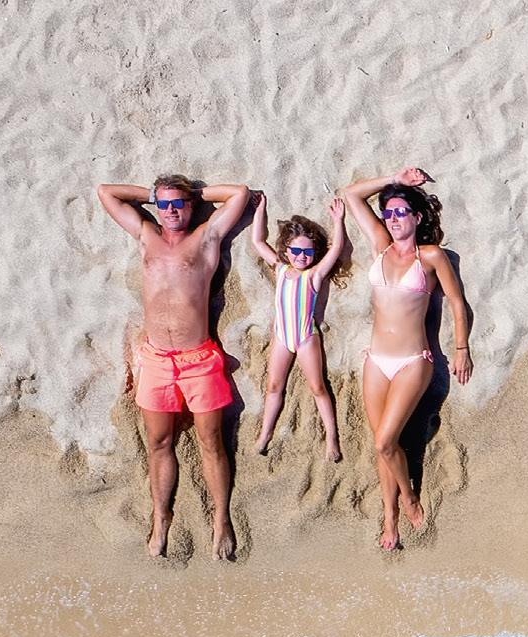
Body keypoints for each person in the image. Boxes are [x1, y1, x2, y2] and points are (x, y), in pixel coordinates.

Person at [95, 173, 258, 560]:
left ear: (189, 206)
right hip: (156, 359)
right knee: (158, 442)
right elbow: (106, 193)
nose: (170, 211)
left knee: (211, 443)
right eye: (164, 205)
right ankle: (161, 517)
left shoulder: (205, 236)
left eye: (177, 204)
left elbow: (239, 194)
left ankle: (221, 519)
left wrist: (193, 194)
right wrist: (154, 196)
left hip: (198, 358)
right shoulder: (146, 234)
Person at [338, 168, 473, 551]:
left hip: (414, 360)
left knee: (385, 443)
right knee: (383, 443)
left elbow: (458, 303)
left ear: (416, 216)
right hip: (376, 360)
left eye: (401, 212)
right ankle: (390, 517)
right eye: (389, 213)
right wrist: (394, 178)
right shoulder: (381, 246)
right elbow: (351, 195)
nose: (394, 219)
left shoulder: (430, 256)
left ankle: (410, 498)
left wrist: (461, 348)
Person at [248, 199, 351, 461]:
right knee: (274, 386)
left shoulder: (314, 275)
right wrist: (259, 210)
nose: (301, 256)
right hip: (282, 336)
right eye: (295, 251)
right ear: (286, 249)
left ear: (314, 253)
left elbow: (336, 248)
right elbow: (258, 242)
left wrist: (338, 221)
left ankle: (332, 438)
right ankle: (265, 434)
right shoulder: (281, 269)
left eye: (307, 252)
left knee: (318, 387)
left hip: (306, 336)